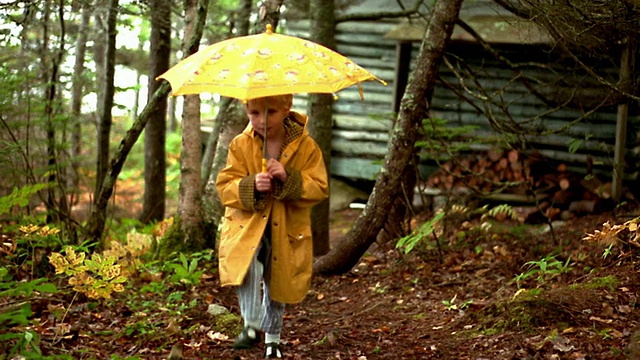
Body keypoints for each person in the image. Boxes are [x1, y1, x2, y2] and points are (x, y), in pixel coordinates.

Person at [215, 94, 329, 359]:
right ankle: (251, 323)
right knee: (249, 265)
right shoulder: (240, 144)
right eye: (254, 113)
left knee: (277, 278)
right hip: (248, 225)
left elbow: (319, 187)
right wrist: (250, 184)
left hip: (287, 225)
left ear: (286, 109)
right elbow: (225, 187)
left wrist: (288, 178)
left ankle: (273, 340)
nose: (262, 121)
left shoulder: (306, 146)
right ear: (246, 111)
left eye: (271, 113)